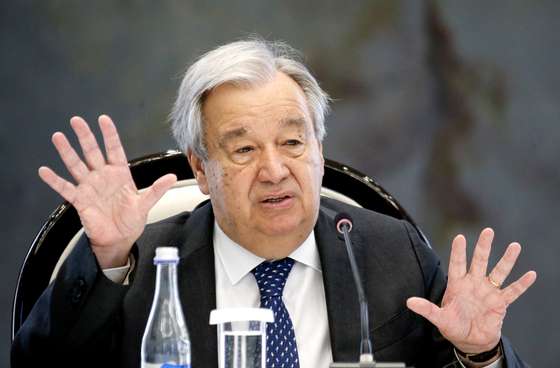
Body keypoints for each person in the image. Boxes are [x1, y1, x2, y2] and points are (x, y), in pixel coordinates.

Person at [11, 39, 536, 368]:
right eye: (243, 149)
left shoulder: (391, 252)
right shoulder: (140, 266)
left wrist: (480, 355)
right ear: (200, 169)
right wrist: (105, 261)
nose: (275, 170)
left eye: (293, 142)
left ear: (320, 150)